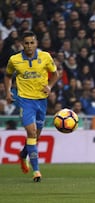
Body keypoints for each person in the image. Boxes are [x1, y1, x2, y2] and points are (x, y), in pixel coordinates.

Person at [4, 31, 59, 182]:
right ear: (22, 44)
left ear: (36, 43)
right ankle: (36, 171)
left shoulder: (45, 57)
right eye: (26, 43)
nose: (29, 46)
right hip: (25, 100)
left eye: (32, 43)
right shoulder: (14, 60)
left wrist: (49, 86)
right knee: (31, 132)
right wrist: (8, 92)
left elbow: (55, 74)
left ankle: (23, 154)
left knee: (36, 136)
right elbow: (8, 76)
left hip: (41, 100)